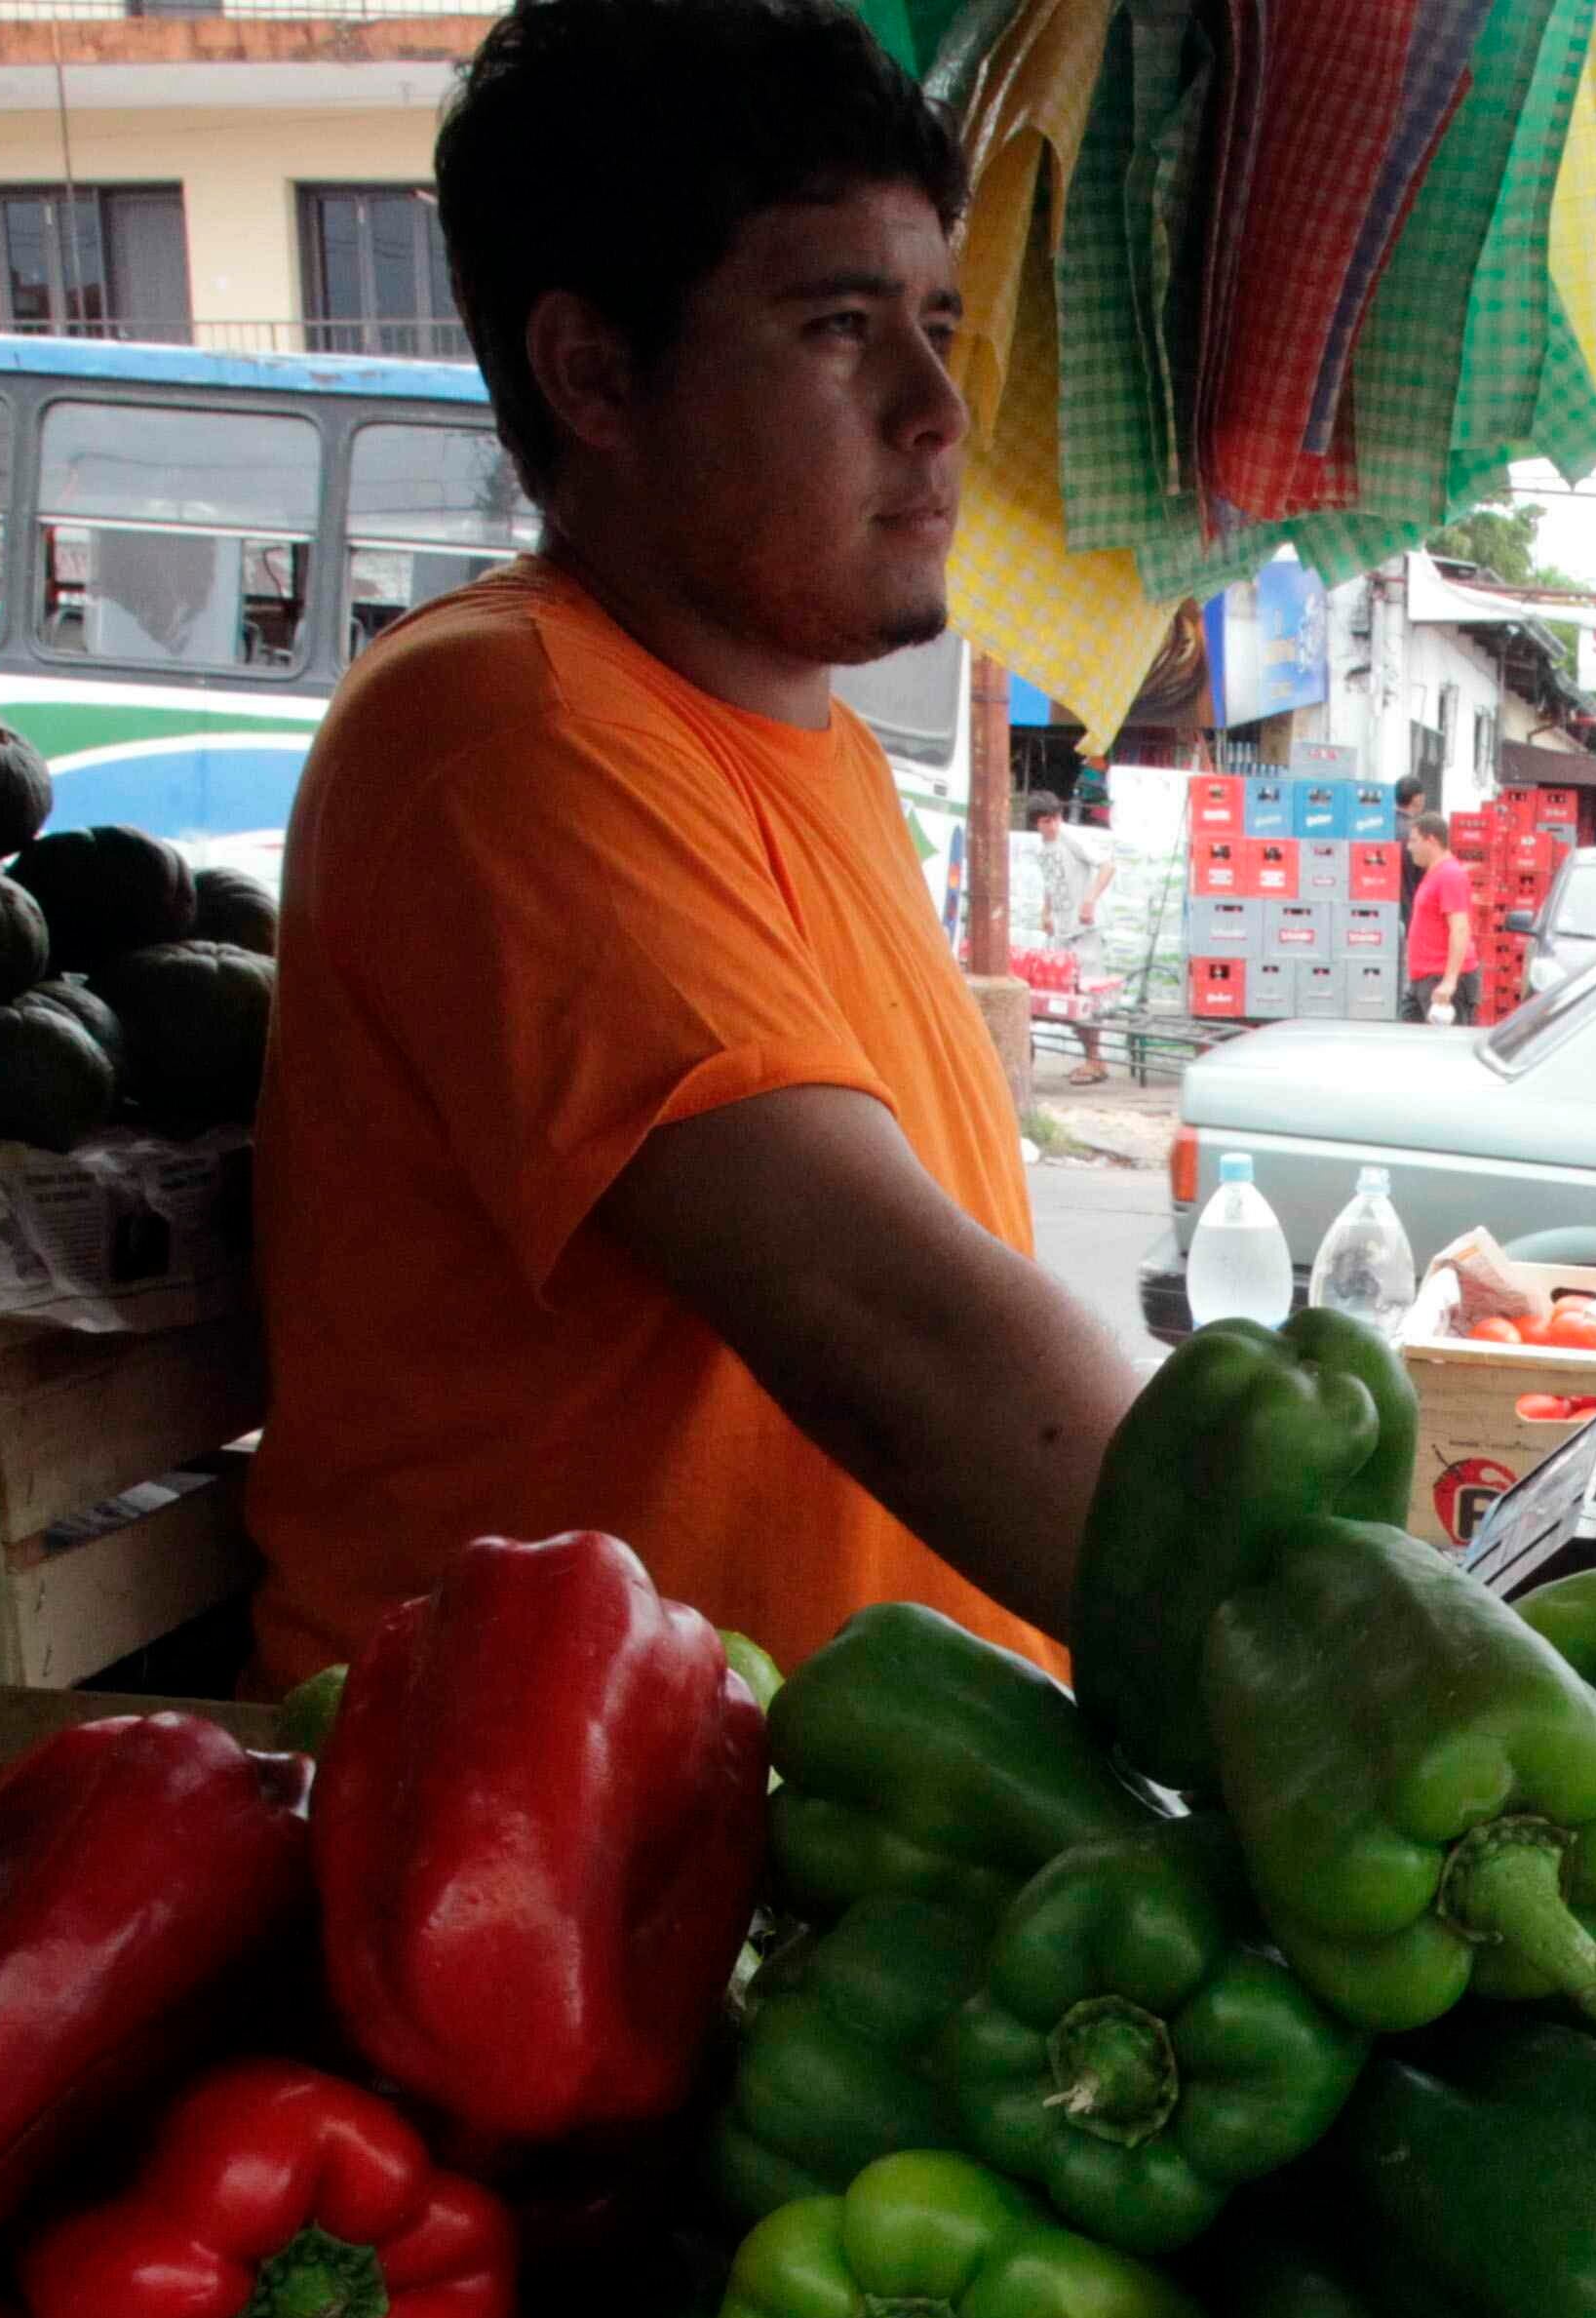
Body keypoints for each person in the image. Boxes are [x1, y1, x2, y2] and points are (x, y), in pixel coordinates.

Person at [246, 0, 1142, 1688]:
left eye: (940, 323)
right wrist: (1342, 1660)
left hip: (862, 1816)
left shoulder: (826, 760)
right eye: (838, 326)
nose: (937, 406)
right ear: (593, 370)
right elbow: (899, 1341)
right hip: (550, 1852)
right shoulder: (514, 726)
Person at [1016, 787, 1118, 1084]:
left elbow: (1108, 865)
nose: (1052, 825)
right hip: (1062, 931)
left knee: (1085, 995)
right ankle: (1090, 1059)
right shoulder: (1042, 848)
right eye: (1045, 821)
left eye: (1055, 818)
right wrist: (1046, 912)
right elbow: (1052, 881)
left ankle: (1096, 1060)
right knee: (1065, 998)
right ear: (1036, 823)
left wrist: (1090, 900)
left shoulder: (1071, 837)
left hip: (1084, 930)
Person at [1400, 808, 1476, 1023]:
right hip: (1422, 980)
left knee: (1444, 1049)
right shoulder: (1434, 874)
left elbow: (1460, 928)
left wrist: (1450, 981)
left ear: (1431, 840)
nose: (1409, 847)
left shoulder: (1450, 875)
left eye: (1414, 841)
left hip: (1441, 981)